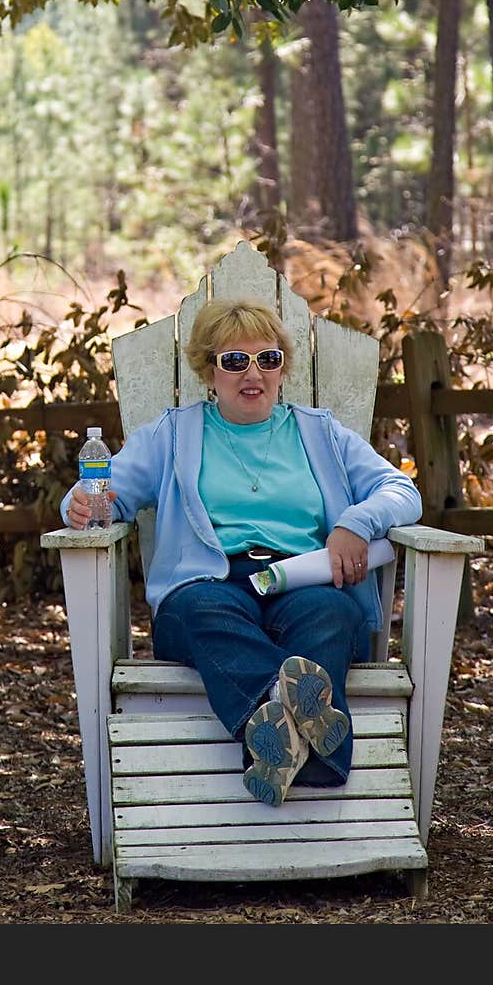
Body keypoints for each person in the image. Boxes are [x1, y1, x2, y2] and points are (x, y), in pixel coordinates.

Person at [61, 297, 422, 807]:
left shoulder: (319, 432)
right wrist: (77, 505)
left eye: (267, 359)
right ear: (209, 370)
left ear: (283, 368)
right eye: (234, 360)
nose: (252, 374)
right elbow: (100, 493)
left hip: (301, 579)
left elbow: (401, 490)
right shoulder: (175, 433)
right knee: (200, 613)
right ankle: (294, 728)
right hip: (213, 587)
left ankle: (276, 742)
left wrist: (354, 523)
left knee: (331, 613)